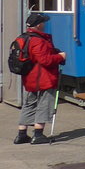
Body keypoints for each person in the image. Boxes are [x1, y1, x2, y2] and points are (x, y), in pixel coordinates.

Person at [13, 12, 66, 145]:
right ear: (38, 25)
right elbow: (45, 60)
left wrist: (53, 51)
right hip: (43, 78)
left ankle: (21, 134)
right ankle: (38, 134)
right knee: (44, 104)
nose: (44, 24)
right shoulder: (38, 40)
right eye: (43, 22)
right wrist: (60, 57)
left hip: (30, 77)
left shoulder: (24, 38)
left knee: (29, 104)